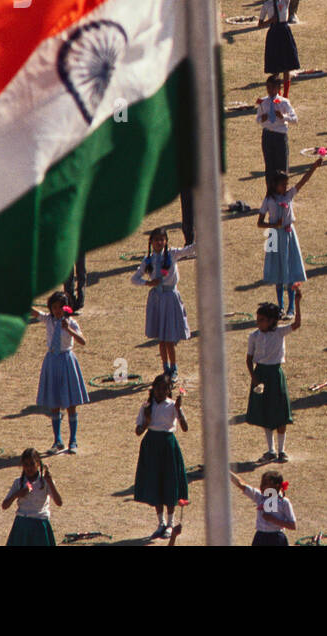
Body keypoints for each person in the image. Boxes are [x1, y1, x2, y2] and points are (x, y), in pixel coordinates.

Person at [131, 226, 197, 380]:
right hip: (157, 299)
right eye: (156, 240)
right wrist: (147, 284)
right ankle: (165, 367)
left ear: (166, 241)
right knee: (161, 338)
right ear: (151, 242)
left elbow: (190, 250)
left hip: (170, 297)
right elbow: (134, 278)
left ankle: (174, 368)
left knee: (169, 338)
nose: (159, 242)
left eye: (162, 239)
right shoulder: (148, 260)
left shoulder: (172, 254)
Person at [133, 373, 190, 539]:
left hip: (168, 446)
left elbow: (185, 427)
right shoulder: (146, 406)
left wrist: (179, 410)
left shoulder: (173, 405)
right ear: (153, 389)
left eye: (164, 389)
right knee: (155, 482)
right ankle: (161, 523)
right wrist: (146, 421)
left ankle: (170, 524)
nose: (160, 392)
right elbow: (138, 431)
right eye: (157, 388)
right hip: (151, 445)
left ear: (168, 390)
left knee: (170, 482)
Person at [246, 292, 301, 463]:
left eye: (262, 319)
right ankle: (270, 450)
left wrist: (297, 302)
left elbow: (297, 324)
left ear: (271, 321)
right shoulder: (254, 336)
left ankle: (281, 450)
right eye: (258, 319)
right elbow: (248, 359)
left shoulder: (279, 332)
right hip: (261, 374)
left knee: (280, 414)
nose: (258, 322)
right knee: (265, 413)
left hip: (275, 374)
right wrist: (254, 378)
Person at [32, 292, 89, 454]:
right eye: (54, 307)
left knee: (71, 403)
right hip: (51, 361)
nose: (57, 311)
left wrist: (69, 329)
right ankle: (57, 440)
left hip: (66, 360)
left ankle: (73, 440)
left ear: (66, 308)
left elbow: (83, 341)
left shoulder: (71, 323)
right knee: (54, 403)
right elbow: (34, 312)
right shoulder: (48, 320)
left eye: (59, 307)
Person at [1, 449, 62, 546]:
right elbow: (4, 505)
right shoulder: (18, 482)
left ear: (38, 464)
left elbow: (59, 502)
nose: (29, 468)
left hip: (40, 524)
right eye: (25, 464)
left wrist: (50, 483)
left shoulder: (45, 482)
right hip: (22, 524)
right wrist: (17, 494)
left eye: (32, 464)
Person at [229, 469, 297, 545]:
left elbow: (292, 525)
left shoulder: (284, 502)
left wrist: (273, 520)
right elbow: (241, 484)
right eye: (262, 483)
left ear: (276, 485)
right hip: (260, 537)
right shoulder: (259, 497)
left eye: (265, 484)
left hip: (276, 539)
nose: (261, 486)